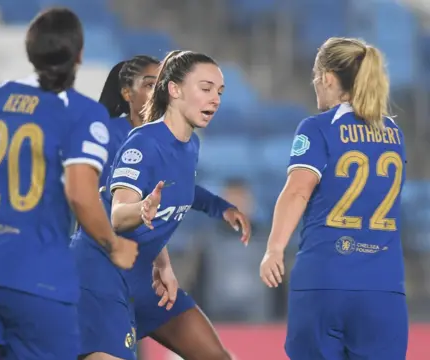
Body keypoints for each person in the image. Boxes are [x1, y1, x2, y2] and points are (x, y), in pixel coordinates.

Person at [0, 8, 138, 360]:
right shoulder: (83, 114)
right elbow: (80, 193)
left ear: (30, 52)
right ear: (79, 55)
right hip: (36, 276)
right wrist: (113, 244)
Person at [71, 50, 247, 360]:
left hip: (144, 276)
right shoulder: (142, 143)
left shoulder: (190, 144)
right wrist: (139, 210)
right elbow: (118, 215)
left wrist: (162, 263)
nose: (215, 99)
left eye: (219, 92)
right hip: (101, 273)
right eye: (205, 89)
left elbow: (163, 209)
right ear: (174, 90)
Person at [260, 37, 407, 360]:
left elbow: (298, 190)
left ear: (327, 78)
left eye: (316, 79)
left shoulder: (318, 128)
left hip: (325, 280)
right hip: (384, 287)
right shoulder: (395, 135)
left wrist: (274, 248)